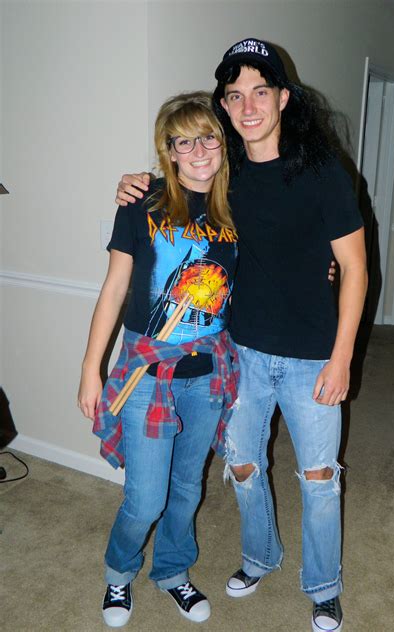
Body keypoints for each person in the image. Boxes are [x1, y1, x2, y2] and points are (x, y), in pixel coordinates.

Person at [116, 38, 368, 632]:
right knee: (245, 467)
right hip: (241, 354)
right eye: (235, 95)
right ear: (224, 105)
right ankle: (259, 557)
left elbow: (354, 268)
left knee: (319, 479)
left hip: (312, 356)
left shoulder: (322, 171)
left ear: (283, 98)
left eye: (261, 91)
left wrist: (342, 360)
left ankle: (324, 586)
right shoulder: (223, 173)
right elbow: (176, 186)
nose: (248, 105)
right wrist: (134, 183)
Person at [78, 92, 239, 628]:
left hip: (208, 373)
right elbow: (114, 288)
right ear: (167, 152)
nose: (198, 150)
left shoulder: (238, 211)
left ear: (223, 142)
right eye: (183, 141)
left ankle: (172, 571)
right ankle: (119, 572)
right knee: (145, 498)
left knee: (187, 487)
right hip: (147, 373)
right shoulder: (141, 204)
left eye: (208, 137)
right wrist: (90, 370)